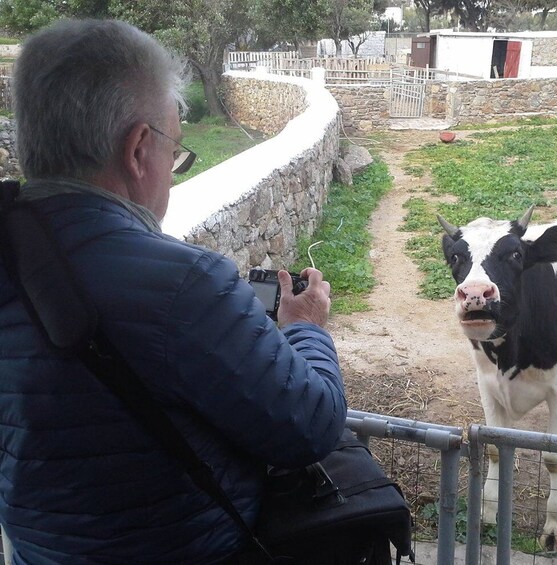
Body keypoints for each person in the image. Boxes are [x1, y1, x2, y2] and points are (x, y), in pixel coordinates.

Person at [0, 18, 347, 563]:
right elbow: (311, 425)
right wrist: (305, 329)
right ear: (139, 150)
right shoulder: (184, 285)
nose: (173, 172)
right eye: (176, 152)